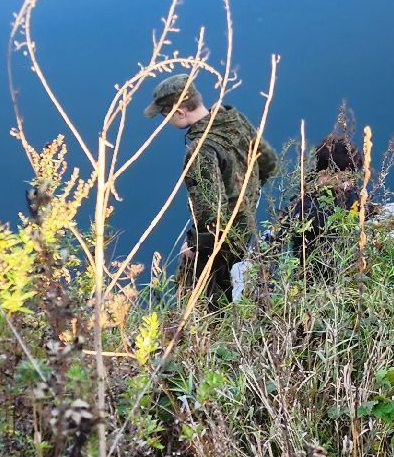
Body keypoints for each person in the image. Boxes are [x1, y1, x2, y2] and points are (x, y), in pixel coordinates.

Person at [145, 72, 278, 303]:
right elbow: (269, 162)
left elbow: (210, 212)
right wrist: (246, 196)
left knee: (206, 303)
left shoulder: (200, 150)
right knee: (238, 290)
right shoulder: (234, 118)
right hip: (245, 224)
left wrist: (195, 246)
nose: (165, 121)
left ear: (179, 112)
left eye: (165, 115)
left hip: (220, 241)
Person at [267, 133, 365, 265]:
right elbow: (278, 234)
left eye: (351, 178)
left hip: (343, 269)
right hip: (311, 275)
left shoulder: (350, 196)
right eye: (343, 179)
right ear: (324, 175)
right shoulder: (305, 205)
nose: (348, 184)